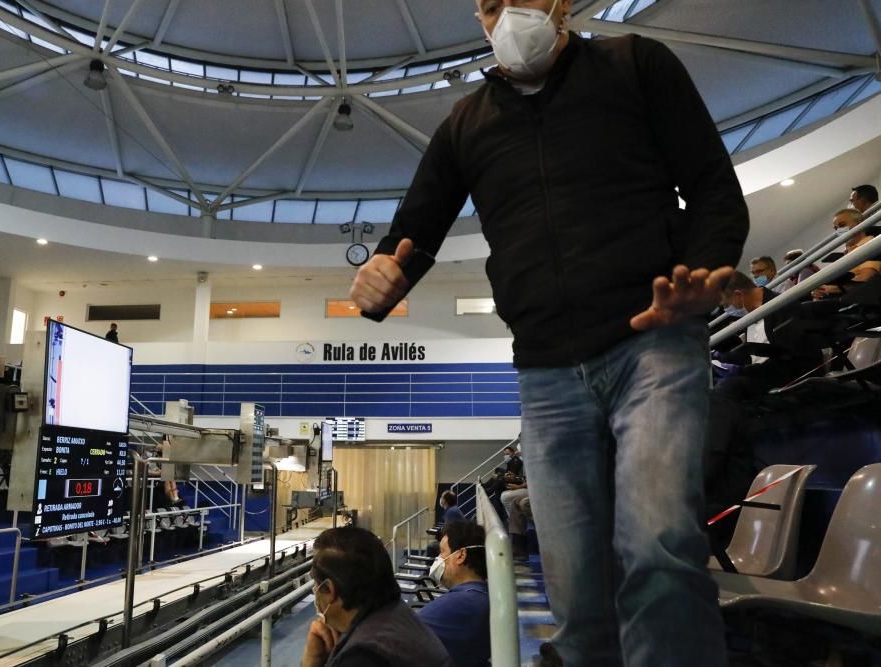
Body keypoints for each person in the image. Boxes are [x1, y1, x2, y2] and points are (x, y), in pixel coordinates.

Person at [348, 1, 749, 664]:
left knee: (657, 547)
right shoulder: (465, 124)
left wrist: (704, 271)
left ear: (560, 2)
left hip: (652, 340)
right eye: (488, 4)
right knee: (575, 593)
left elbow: (712, 185)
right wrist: (385, 275)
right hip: (545, 373)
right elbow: (410, 236)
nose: (504, 12)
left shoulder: (635, 64)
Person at [706, 273, 824, 519]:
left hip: (784, 371)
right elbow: (752, 354)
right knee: (713, 388)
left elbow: (792, 354)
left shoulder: (783, 305)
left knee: (725, 391)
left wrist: (743, 369)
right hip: (759, 374)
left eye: (727, 303)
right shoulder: (750, 316)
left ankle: (711, 464)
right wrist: (724, 360)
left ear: (738, 294)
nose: (728, 309)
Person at [302, 526, 452, 667]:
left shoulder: (362, 657)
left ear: (329, 589)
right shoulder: (397, 615)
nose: (315, 589)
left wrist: (311, 661)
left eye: (316, 583)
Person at [417, 521, 491, 667]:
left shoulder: (464, 603)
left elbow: (402, 636)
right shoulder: (479, 594)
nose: (438, 558)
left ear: (461, 555)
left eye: (442, 551)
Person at [812, 209, 880, 299]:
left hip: (856, 299)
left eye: (842, 225)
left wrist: (834, 289)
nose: (839, 231)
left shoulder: (870, 246)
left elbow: (866, 278)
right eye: (836, 228)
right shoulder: (848, 251)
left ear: (859, 223)